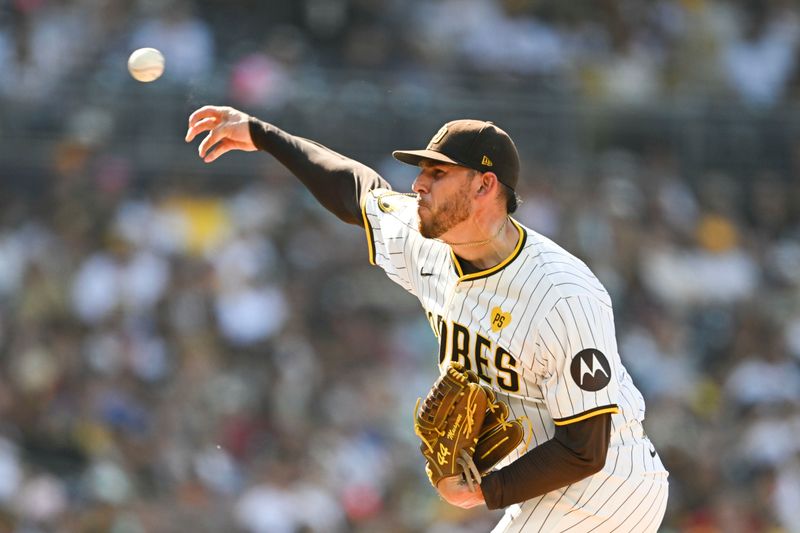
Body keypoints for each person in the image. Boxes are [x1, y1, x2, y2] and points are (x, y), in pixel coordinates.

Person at [185, 105, 669, 532]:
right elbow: (356, 190)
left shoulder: (563, 294)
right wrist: (262, 134)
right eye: (421, 171)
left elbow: (586, 448)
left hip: (609, 487)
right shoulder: (428, 246)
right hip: (548, 486)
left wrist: (484, 491)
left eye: (437, 173)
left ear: (484, 185)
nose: (418, 183)